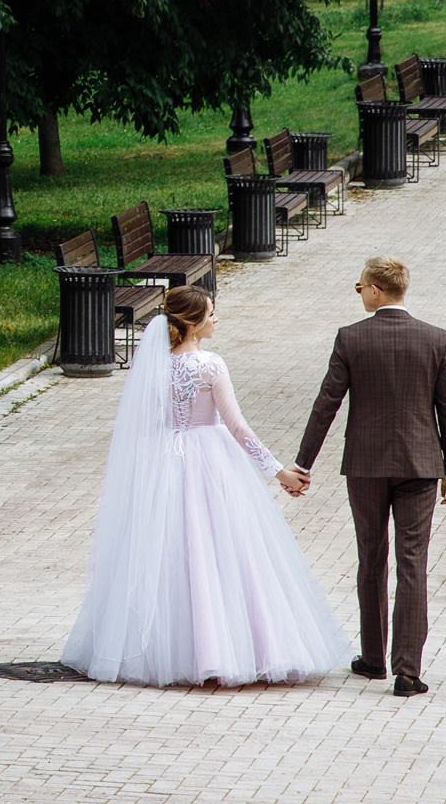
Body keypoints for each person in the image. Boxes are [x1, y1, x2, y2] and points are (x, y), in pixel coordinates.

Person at [61, 287, 350, 686]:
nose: (217, 319)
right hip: (211, 463)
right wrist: (278, 471)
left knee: (167, 552)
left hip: (165, 463)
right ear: (194, 324)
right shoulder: (210, 365)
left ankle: (159, 649)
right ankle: (224, 650)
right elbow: (236, 426)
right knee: (223, 552)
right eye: (212, 313)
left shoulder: (154, 366)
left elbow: (146, 423)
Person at [286, 254, 446, 698]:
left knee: (371, 556)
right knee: (412, 562)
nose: (359, 292)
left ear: (376, 290)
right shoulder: (435, 339)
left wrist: (303, 463)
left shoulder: (351, 338)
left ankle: (371, 658)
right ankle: (407, 670)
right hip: (421, 465)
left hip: (365, 466)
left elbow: (327, 403)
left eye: (360, 286)